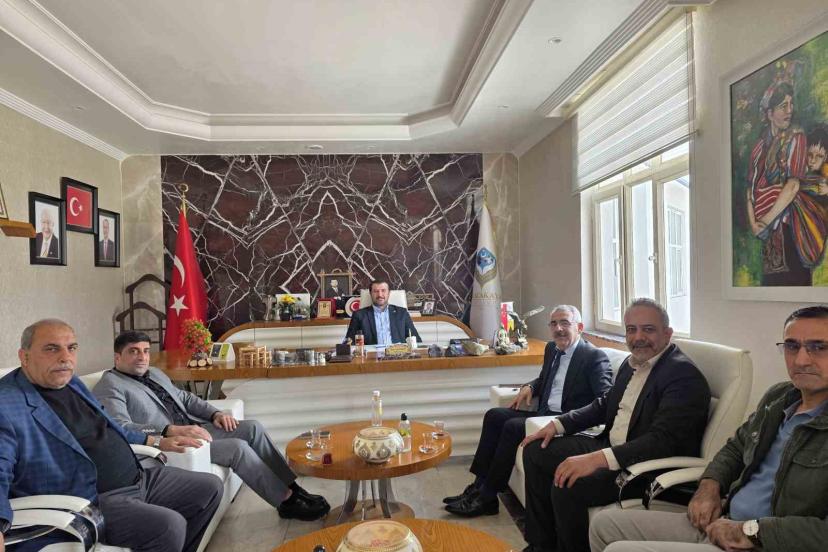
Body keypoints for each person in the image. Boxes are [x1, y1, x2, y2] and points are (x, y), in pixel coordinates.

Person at [590, 305, 828, 552]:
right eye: (792, 346)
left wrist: (752, 531)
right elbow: (735, 449)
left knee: (620, 550)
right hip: (724, 522)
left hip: (766, 542)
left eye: (819, 347)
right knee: (604, 525)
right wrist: (710, 485)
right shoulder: (779, 397)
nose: (801, 360)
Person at [0, 319, 223, 552]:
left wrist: (157, 440)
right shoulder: (6, 403)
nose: (66, 358)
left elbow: (112, 427)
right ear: (24, 356)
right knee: (169, 526)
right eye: (52, 349)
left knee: (210, 488)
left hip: (138, 477)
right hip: (92, 499)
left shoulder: (71, 382)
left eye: (71, 348)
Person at [520, 298, 711, 552]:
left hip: (643, 469)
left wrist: (597, 459)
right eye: (631, 329)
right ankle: (541, 545)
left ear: (667, 333)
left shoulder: (682, 376)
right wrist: (558, 424)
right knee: (536, 451)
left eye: (648, 329)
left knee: (567, 483)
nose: (638, 337)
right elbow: (604, 405)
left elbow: (662, 441)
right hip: (611, 446)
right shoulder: (632, 363)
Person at [93, 331, 330, 522]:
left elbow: (185, 398)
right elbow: (120, 426)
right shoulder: (110, 384)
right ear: (117, 357)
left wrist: (215, 413)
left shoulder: (154, 373)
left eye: (145, 351)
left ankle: (292, 486)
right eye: (133, 351)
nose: (142, 357)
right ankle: (286, 501)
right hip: (176, 444)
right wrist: (168, 430)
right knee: (237, 447)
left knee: (252, 427)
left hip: (196, 428)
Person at [443, 305, 613, 517]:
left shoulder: (593, 357)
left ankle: (487, 497)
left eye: (565, 323)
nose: (558, 329)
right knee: (495, 416)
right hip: (543, 414)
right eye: (553, 324)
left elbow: (605, 400)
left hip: (565, 423)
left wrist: (569, 420)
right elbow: (544, 379)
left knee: (512, 427)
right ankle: (477, 487)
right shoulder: (552, 349)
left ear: (579, 327)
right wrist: (530, 386)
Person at [746, 80, 824, 285]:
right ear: (770, 113)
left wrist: (764, 221)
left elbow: (793, 185)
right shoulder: (759, 148)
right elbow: (750, 192)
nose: (789, 110)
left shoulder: (796, 138)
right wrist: (755, 225)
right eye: (783, 106)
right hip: (768, 235)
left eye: (791, 104)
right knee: (771, 286)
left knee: (796, 286)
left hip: (791, 229)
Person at [344, 280, 421, 345]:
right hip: (371, 356)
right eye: (376, 291)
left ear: (389, 293)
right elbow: (349, 342)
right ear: (370, 294)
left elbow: (416, 340)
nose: (380, 295)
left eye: (383, 291)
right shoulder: (359, 315)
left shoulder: (402, 313)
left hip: (398, 355)